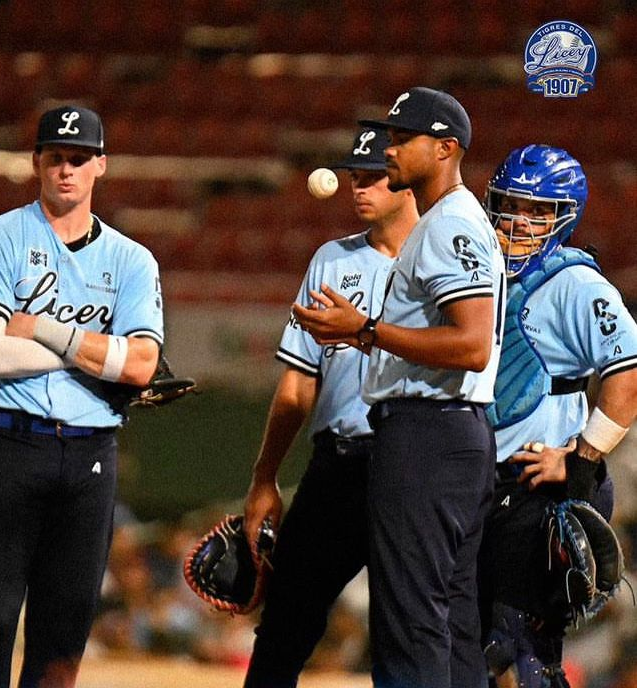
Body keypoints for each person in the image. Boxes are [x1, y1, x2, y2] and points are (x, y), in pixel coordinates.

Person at [293, 86, 505, 688]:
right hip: (452, 434)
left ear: (446, 148)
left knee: (410, 626)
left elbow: (471, 344)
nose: (389, 148)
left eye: (403, 138)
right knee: (453, 626)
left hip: (427, 438)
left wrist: (363, 326)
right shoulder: (449, 220)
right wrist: (364, 337)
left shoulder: (448, 224)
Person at [0, 104, 163, 688]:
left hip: (90, 456)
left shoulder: (131, 259)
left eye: (79, 159)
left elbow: (144, 367)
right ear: (36, 163)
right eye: (55, 158)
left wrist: (47, 329)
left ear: (101, 165)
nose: (66, 170)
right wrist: (104, 355)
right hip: (9, 449)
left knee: (63, 636)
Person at [241, 124, 418, 687]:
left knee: (409, 634)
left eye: (373, 177)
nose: (358, 188)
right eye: (354, 177)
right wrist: (265, 479)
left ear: (408, 182)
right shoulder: (331, 261)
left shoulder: (450, 257)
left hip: (414, 467)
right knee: (285, 626)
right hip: (338, 465)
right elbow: (296, 389)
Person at [477, 145, 637, 687]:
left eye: (538, 210)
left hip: (538, 488)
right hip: (482, 485)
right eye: (510, 204)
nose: (519, 221)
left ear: (564, 216)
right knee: (471, 650)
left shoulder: (574, 283)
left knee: (517, 651)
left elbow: (629, 372)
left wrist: (582, 460)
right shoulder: (480, 274)